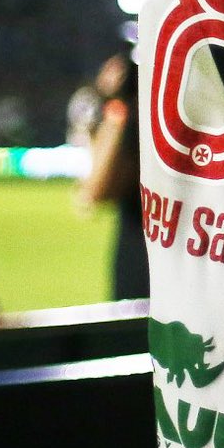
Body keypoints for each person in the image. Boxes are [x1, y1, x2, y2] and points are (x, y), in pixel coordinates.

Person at [76, 53, 148, 301]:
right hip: (166, 265)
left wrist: (116, 105)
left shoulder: (135, 119)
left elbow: (95, 191)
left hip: (144, 266)